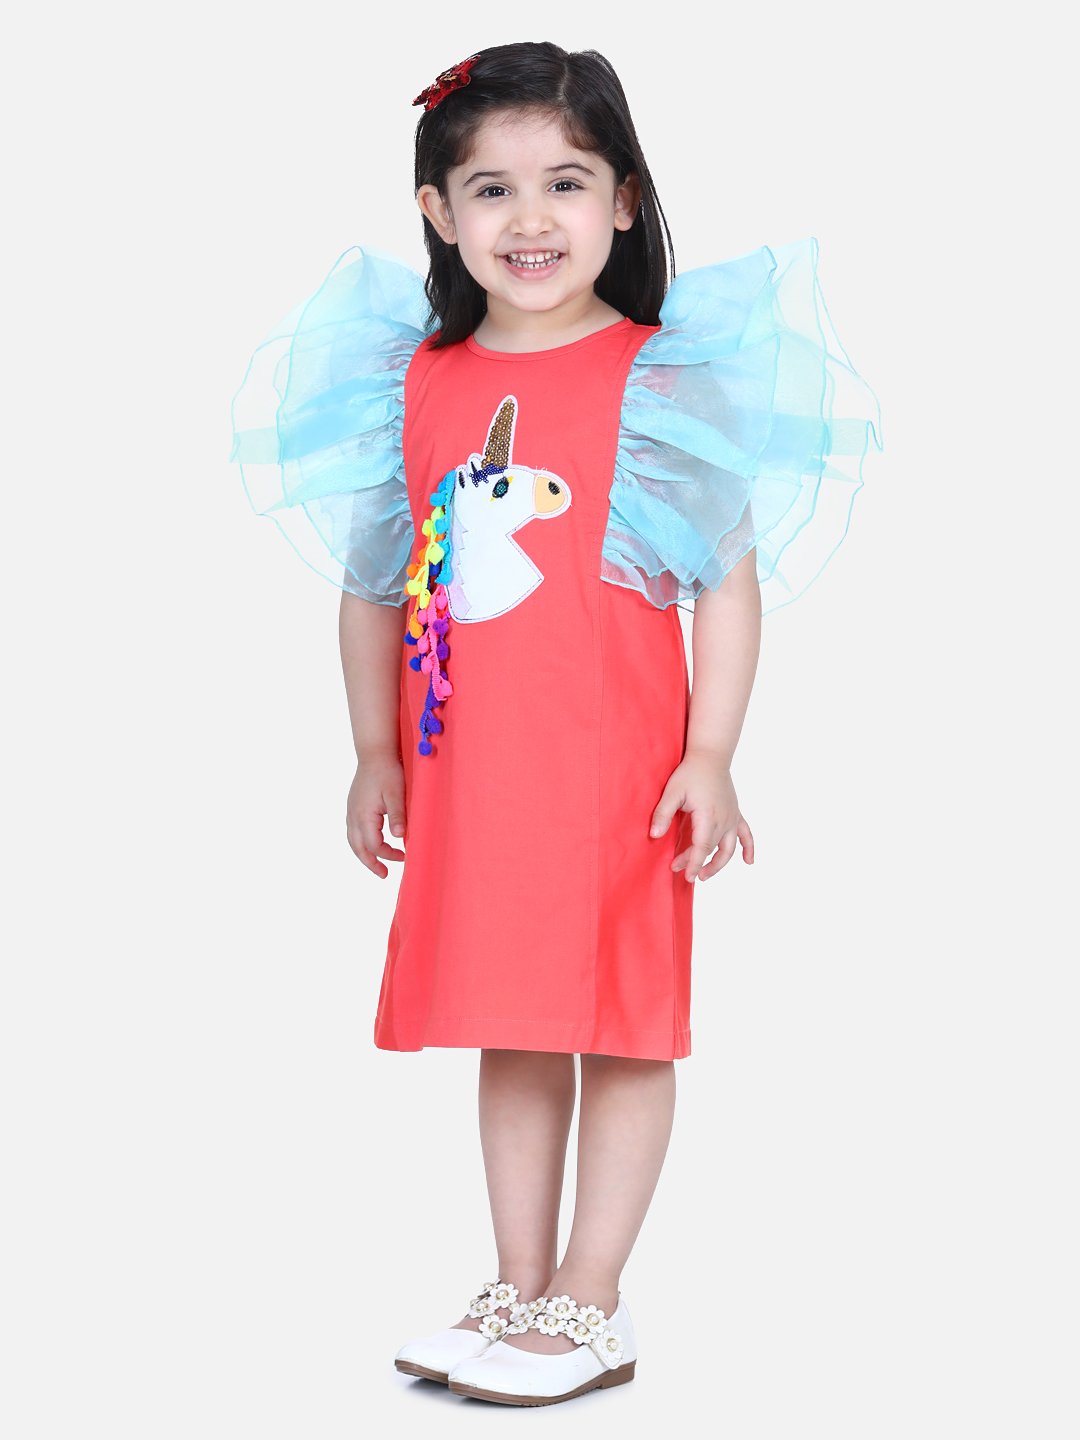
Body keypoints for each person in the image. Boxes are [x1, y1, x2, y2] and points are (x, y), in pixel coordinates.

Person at [229, 40, 883, 1408]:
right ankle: (519, 1282)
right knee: (512, 1022)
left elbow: (726, 582)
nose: (530, 219)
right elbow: (376, 585)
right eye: (492, 188)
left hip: (616, 772)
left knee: (622, 1021)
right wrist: (372, 750)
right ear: (437, 211)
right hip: (474, 777)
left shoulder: (662, 377)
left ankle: (593, 1297)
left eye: (567, 183)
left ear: (625, 201)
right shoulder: (411, 382)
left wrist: (711, 755)